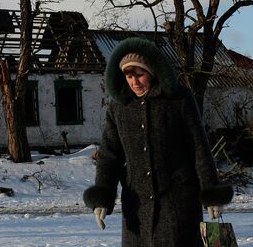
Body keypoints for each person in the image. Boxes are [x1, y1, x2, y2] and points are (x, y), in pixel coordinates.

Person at [83, 37, 233, 247]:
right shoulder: (119, 107)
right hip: (137, 205)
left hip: (178, 202)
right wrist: (102, 196)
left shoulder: (179, 99)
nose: (134, 81)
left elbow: (199, 148)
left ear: (152, 71)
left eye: (140, 74)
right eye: (129, 75)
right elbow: (110, 156)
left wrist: (212, 192)